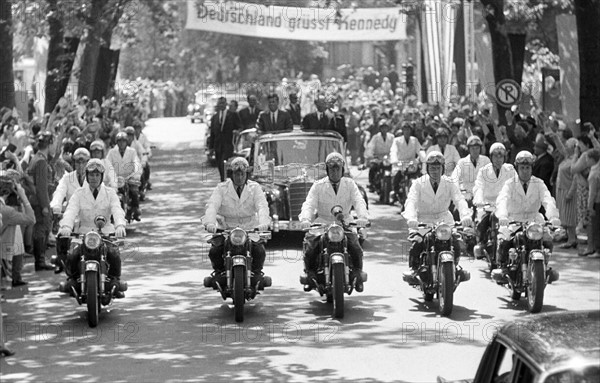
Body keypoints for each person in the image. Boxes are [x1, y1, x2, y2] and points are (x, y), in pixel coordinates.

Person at [298, 152, 369, 292]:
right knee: (311, 244)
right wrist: (306, 219)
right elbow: (309, 204)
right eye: (332, 169)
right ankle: (310, 274)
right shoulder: (318, 185)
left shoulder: (350, 184)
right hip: (323, 222)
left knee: (355, 244)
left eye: (338, 169)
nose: (335, 172)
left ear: (342, 169)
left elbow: (359, 201)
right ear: (327, 170)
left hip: (345, 222)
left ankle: (357, 274)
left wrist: (362, 217)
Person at [58, 159, 127, 298]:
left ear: (102, 176)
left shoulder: (110, 193)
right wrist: (66, 226)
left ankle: (114, 281)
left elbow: (117, 210)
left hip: (106, 233)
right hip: (83, 234)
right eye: (91, 175)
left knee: (114, 255)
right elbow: (71, 211)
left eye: (97, 175)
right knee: (72, 255)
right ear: (86, 176)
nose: (94, 178)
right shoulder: (78, 193)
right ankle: (73, 281)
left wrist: (120, 225)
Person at [402, 151, 473, 284]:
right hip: (423, 221)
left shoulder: (450, 182)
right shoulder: (418, 183)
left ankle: (454, 267)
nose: (435, 171)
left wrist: (465, 216)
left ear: (443, 169)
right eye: (432, 168)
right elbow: (411, 201)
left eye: (438, 168)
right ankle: (414, 269)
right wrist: (412, 218)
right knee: (418, 243)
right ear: (427, 169)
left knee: (456, 241)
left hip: (444, 220)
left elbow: (459, 199)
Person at [493, 151, 561, 281]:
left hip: (534, 221)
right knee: (504, 241)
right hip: (514, 220)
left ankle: (544, 266)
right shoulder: (510, 183)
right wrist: (503, 216)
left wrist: (553, 217)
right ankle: (504, 268)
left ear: (532, 168)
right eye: (522, 168)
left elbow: (547, 199)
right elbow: (502, 199)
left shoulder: (539, 183)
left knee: (547, 240)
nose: (525, 171)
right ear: (517, 168)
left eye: (528, 168)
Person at [203, 157, 270, 288]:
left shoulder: (255, 188)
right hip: (227, 228)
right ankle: (219, 273)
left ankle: (256, 274)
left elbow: (262, 206)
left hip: (249, 228)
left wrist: (263, 222)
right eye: (236, 174)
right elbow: (212, 206)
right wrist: (210, 223)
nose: (239, 177)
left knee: (259, 250)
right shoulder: (221, 188)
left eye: (242, 174)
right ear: (231, 175)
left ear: (247, 175)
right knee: (214, 251)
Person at [50, 147, 91, 273]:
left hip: (91, 216)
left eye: (83, 162)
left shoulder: (95, 177)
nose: (80, 165)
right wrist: (56, 206)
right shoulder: (67, 178)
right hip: (72, 217)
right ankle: (62, 261)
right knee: (62, 234)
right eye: (78, 162)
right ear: (73, 163)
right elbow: (59, 192)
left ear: (88, 163)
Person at [472, 143, 516, 258]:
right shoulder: (484, 171)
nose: (498, 159)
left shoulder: (510, 169)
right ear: (491, 157)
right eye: (495, 156)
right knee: (482, 220)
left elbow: (516, 186)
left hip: (505, 205)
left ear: (504, 158)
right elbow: (479, 187)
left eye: (500, 156)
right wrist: (479, 200)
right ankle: (481, 242)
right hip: (488, 204)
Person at [0, 171, 35, 286]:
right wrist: (22, 195)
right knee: (13, 247)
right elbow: (31, 219)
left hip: (14, 214)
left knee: (18, 247)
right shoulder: (7, 209)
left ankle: (15, 276)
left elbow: (32, 190)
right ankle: (12, 277)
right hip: (12, 215)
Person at [26, 133, 54, 271]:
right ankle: (40, 261)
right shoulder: (41, 161)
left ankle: (40, 261)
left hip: (34, 200)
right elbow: (42, 187)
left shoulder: (35, 158)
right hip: (40, 201)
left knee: (39, 230)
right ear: (49, 144)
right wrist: (45, 206)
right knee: (41, 231)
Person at [106, 132, 142, 221]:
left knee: (134, 191)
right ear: (116, 142)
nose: (121, 143)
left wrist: (136, 174)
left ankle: (135, 208)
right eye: (119, 141)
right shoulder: (111, 152)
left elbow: (136, 162)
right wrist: (109, 176)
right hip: (115, 179)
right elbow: (107, 164)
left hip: (129, 177)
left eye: (123, 141)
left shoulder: (132, 151)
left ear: (126, 142)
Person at [208, 97, 241, 182]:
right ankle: (223, 181)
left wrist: (236, 131)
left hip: (228, 145)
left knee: (225, 164)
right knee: (220, 165)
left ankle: (227, 181)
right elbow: (212, 133)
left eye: (223, 103)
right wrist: (211, 148)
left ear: (226, 104)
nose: (221, 105)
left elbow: (240, 127)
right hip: (218, 146)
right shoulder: (214, 117)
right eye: (220, 103)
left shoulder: (233, 115)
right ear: (218, 105)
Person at [452, 135, 491, 202]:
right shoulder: (462, 162)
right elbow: (454, 178)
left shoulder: (486, 160)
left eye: (477, 148)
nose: (475, 151)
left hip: (483, 195)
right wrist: (460, 193)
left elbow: (491, 178)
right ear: (469, 149)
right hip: (467, 196)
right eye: (473, 148)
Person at [364, 119, 394, 190]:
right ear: (380, 129)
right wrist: (370, 155)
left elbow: (395, 147)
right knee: (373, 167)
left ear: (387, 128)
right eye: (382, 128)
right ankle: (371, 183)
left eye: (385, 127)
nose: (384, 129)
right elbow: (370, 147)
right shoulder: (376, 137)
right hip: (378, 158)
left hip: (389, 158)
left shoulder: (392, 137)